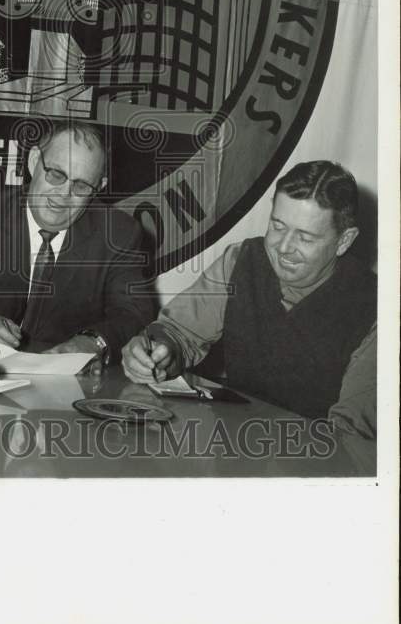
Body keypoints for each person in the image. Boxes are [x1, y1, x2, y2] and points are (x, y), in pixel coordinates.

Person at [122, 161, 377, 437]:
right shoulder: (239, 260)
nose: (284, 248)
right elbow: (178, 332)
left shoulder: (378, 309)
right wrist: (157, 354)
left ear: (344, 241)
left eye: (305, 237)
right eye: (277, 226)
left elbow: (351, 435)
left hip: (313, 462)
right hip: (234, 445)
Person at [0, 121, 158, 366]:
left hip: (63, 389)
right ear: (33, 162)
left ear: (99, 187)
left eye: (81, 185)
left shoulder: (119, 234)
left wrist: (95, 342)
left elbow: (135, 313)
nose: (64, 194)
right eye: (56, 174)